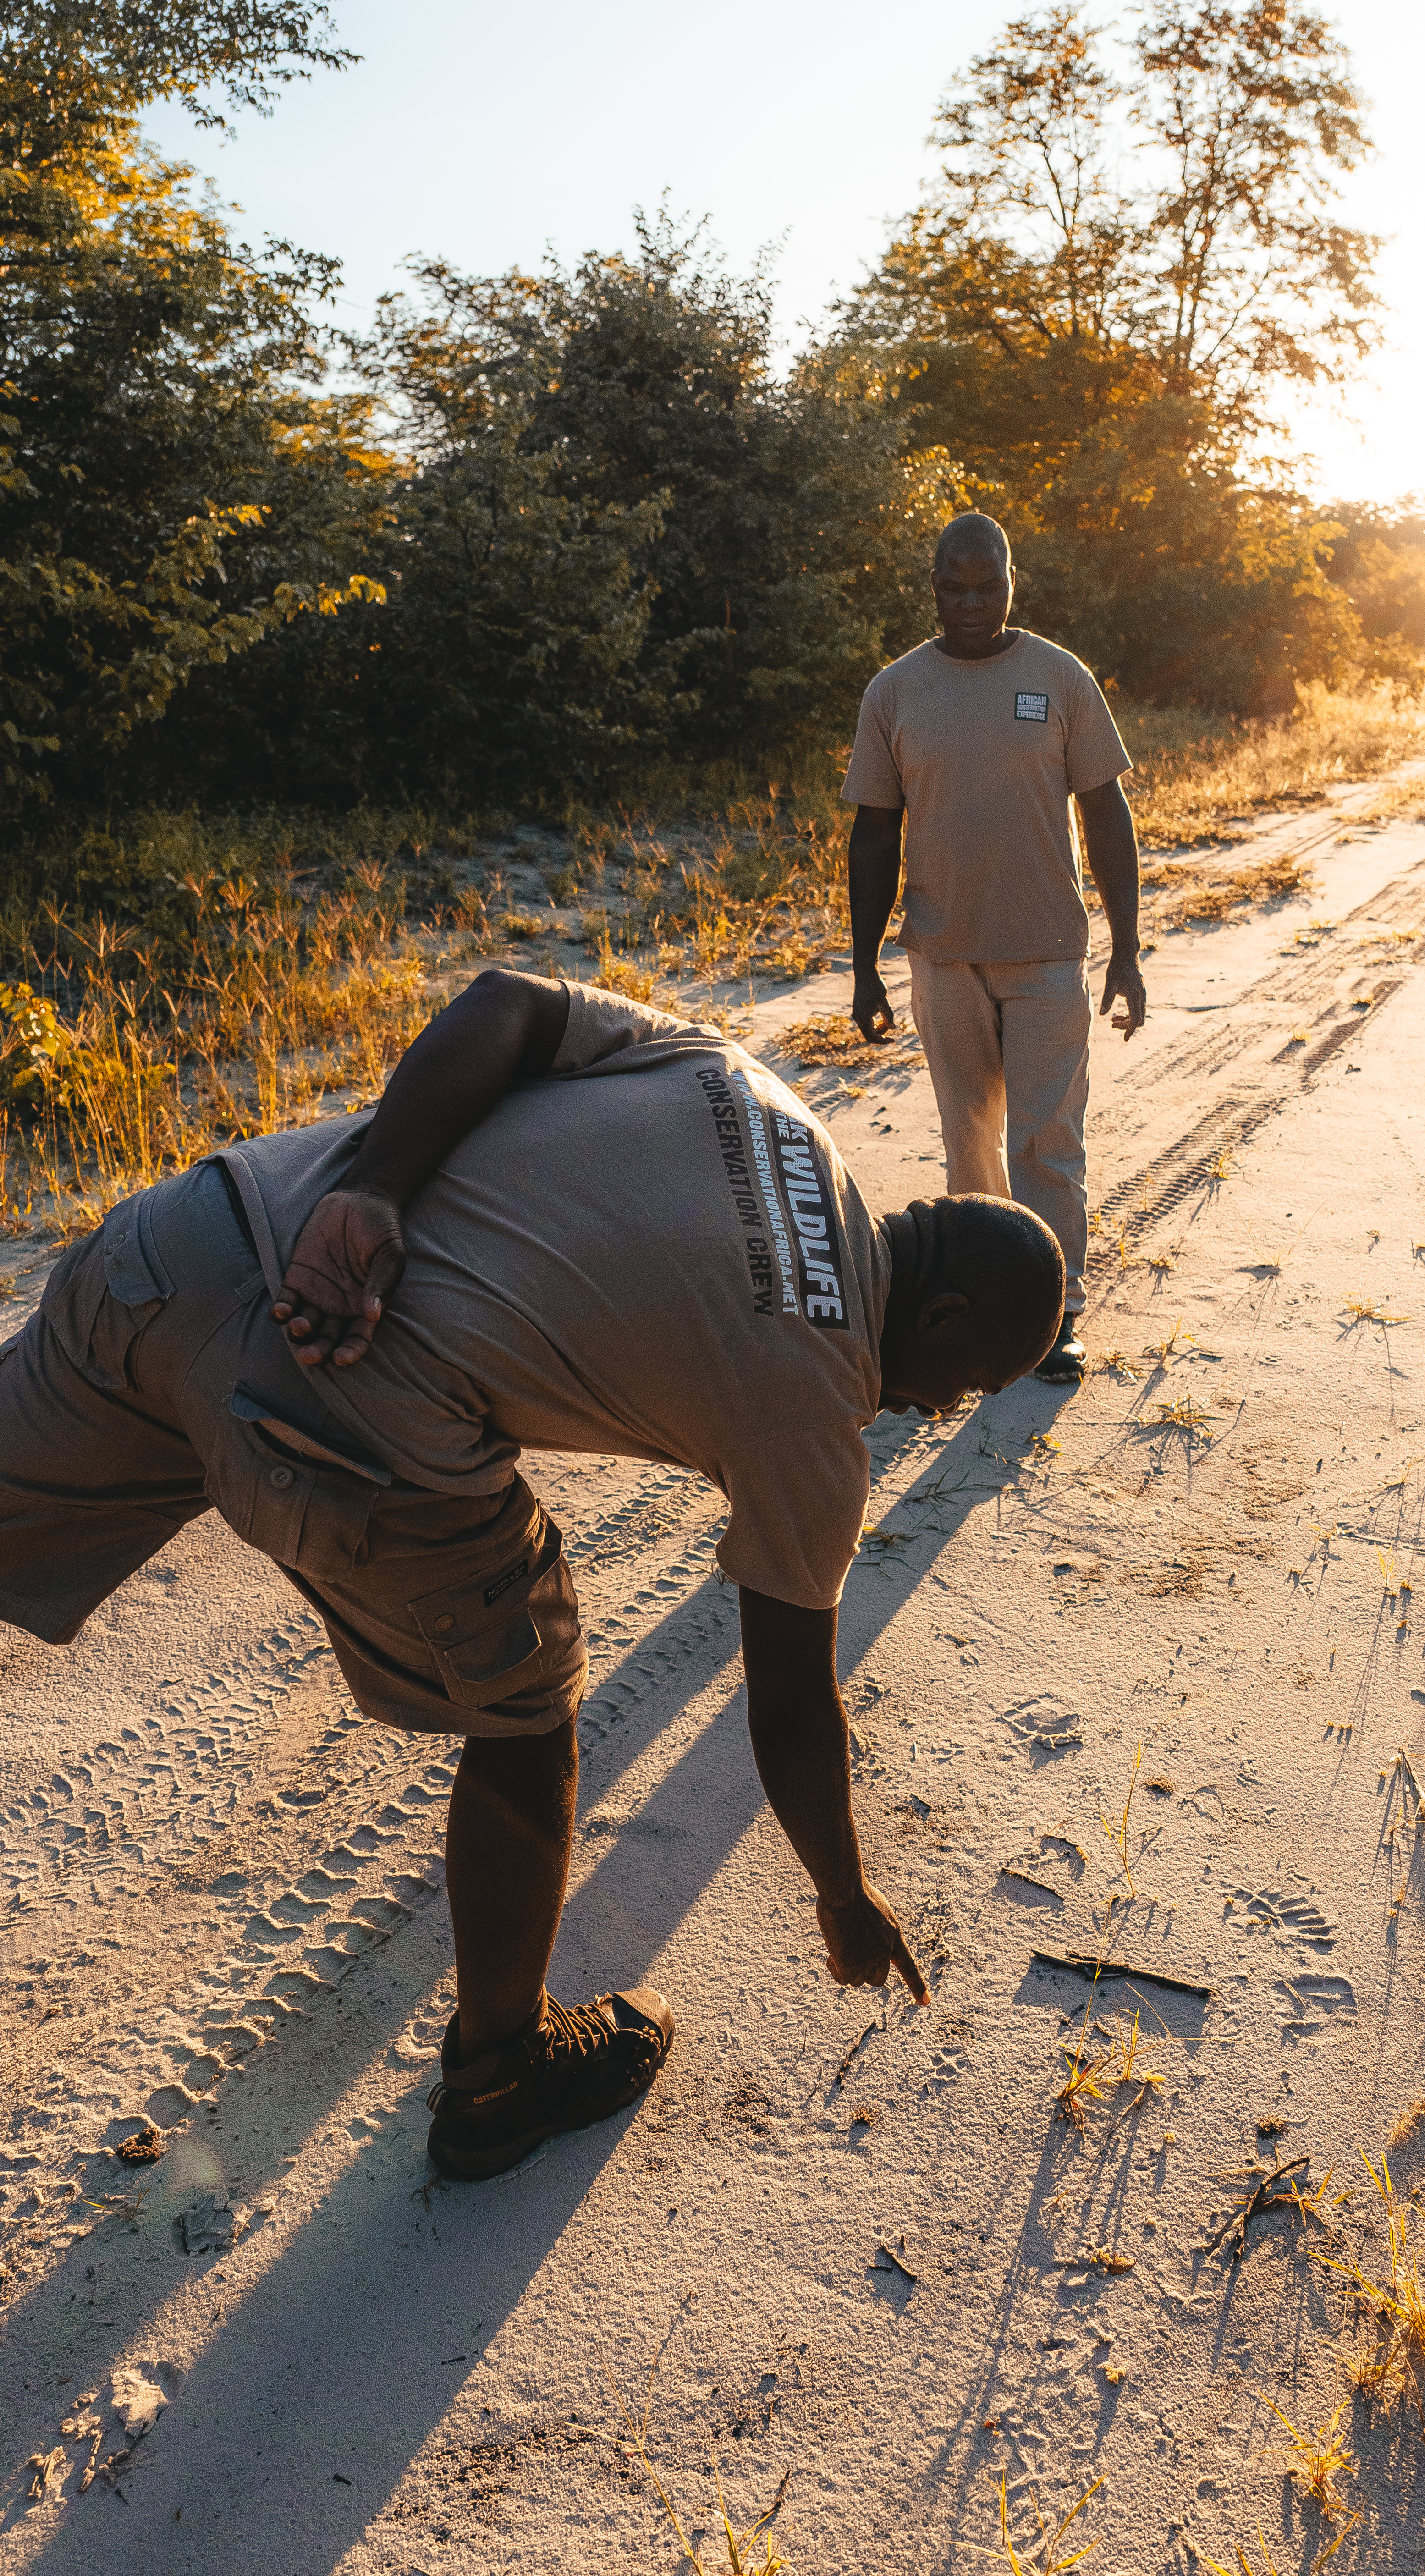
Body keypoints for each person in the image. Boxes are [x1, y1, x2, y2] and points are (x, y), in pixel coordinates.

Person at [0, 971, 1063, 2181]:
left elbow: (505, 1003)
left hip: (180, 1241)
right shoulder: (819, 1407)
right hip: (314, 1398)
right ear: (946, 1318)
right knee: (530, 1707)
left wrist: (375, 1190)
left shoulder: (761, 1095)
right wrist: (843, 1893)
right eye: (959, 1388)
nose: (932, 1411)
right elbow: (788, 1704)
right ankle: (501, 2075)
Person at [845, 512, 1147, 1385]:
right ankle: (985, 1311)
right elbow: (873, 834)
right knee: (969, 1138)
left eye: (989, 585)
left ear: (1011, 581)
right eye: (954, 586)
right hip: (943, 955)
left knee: (1047, 1141)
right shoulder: (895, 691)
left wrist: (1125, 948)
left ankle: (1056, 1316)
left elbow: (1106, 813)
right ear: (932, 585)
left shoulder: (1058, 678)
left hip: (1048, 950)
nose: (972, 602)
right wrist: (865, 966)